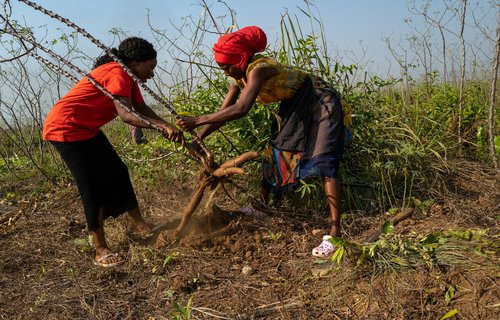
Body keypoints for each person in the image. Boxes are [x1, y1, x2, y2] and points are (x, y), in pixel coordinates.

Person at [176, 26, 345, 258]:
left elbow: (241, 109)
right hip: (293, 104)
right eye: (222, 68)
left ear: (241, 58)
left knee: (324, 159)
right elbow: (225, 112)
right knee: (275, 152)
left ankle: (335, 231)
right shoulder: (239, 76)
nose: (226, 72)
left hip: (319, 100)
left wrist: (196, 120)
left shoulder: (259, 69)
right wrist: (200, 136)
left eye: (228, 66)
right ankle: (262, 208)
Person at [43, 37, 184, 267]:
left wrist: (168, 127)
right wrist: (162, 127)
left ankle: (141, 226)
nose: (152, 74)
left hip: (86, 128)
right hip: (65, 128)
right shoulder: (117, 73)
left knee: (118, 171)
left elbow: (141, 108)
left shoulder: (129, 78)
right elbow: (127, 115)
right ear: (137, 63)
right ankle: (100, 248)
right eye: (151, 67)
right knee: (91, 186)